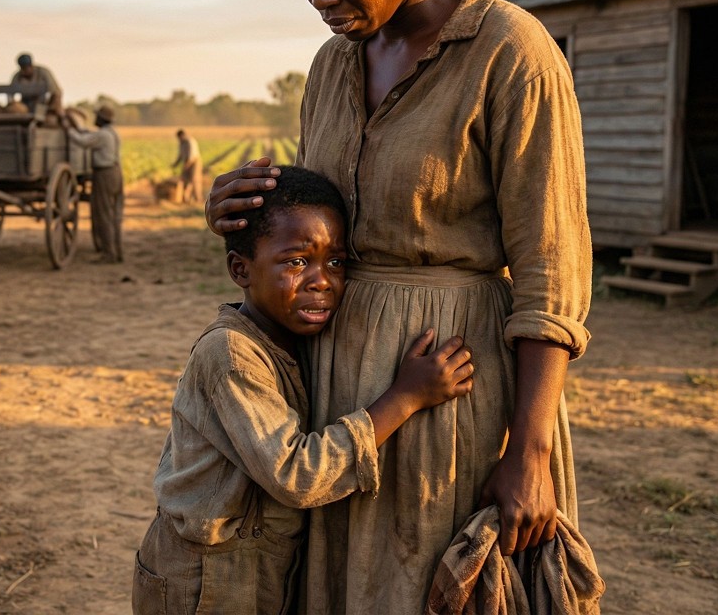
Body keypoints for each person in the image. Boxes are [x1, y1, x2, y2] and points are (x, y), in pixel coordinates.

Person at [205, 0, 596, 612]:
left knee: (426, 584)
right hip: (339, 386)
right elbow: (312, 228)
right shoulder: (330, 67)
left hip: (451, 386)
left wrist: (529, 454)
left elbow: (552, 267)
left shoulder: (511, 51)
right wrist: (237, 211)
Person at [134, 166, 475, 615]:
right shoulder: (232, 354)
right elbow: (295, 474)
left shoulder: (297, 342)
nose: (322, 281)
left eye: (335, 262)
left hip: (259, 571)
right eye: (296, 262)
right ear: (241, 268)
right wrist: (405, 397)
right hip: (203, 581)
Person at [67, 106, 124, 263]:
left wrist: (69, 130)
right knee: (114, 214)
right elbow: (89, 135)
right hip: (116, 173)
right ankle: (117, 251)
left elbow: (82, 142)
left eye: (97, 117)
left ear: (102, 119)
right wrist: (80, 129)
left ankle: (109, 254)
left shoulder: (103, 135)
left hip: (104, 174)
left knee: (103, 214)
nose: (95, 119)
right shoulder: (112, 133)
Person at [9, 53, 64, 120]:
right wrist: (14, 104)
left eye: (27, 67)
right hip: (25, 105)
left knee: (56, 110)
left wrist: (50, 106)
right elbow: (10, 94)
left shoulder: (43, 72)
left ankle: (64, 122)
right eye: (23, 68)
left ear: (31, 65)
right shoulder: (17, 76)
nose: (25, 70)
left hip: (43, 103)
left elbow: (55, 91)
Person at [171, 129, 202, 204]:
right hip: (186, 161)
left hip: (195, 162)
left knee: (194, 180)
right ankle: (186, 199)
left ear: (182, 135)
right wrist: (175, 164)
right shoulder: (181, 143)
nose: (179, 139)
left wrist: (186, 166)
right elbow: (180, 156)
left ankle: (198, 199)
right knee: (185, 180)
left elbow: (191, 157)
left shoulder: (190, 141)